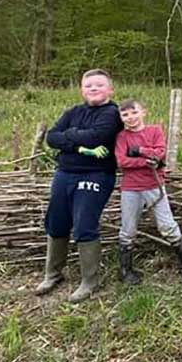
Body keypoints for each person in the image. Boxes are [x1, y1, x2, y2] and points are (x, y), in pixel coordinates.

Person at [36, 69, 123, 303]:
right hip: (64, 173)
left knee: (84, 224)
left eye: (99, 85)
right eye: (88, 85)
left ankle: (89, 281)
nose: (93, 89)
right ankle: (53, 274)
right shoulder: (73, 111)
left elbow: (97, 137)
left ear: (110, 89)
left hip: (95, 174)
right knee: (56, 221)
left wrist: (69, 136)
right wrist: (77, 143)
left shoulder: (112, 113)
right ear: (82, 89)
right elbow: (52, 137)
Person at [114, 99, 182, 285]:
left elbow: (159, 153)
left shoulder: (155, 131)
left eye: (134, 112)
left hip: (154, 186)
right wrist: (146, 161)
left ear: (143, 112)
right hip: (131, 188)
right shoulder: (121, 137)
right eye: (125, 115)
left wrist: (139, 150)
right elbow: (122, 162)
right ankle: (126, 270)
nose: (130, 118)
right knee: (128, 229)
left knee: (168, 226)